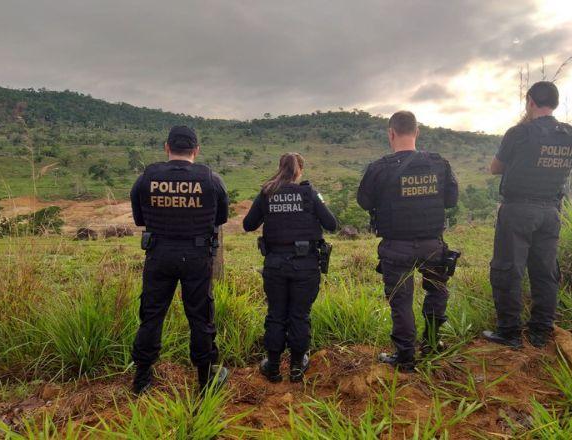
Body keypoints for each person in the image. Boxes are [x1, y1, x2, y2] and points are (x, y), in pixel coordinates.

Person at [129, 125, 229, 394]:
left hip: (158, 254)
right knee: (200, 317)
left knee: (151, 315)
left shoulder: (147, 177)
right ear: (196, 150)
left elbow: (140, 219)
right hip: (197, 256)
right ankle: (205, 379)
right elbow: (221, 218)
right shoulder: (211, 178)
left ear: (167, 148)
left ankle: (141, 380)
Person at [483, 81, 572, 349]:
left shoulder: (518, 133)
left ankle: (510, 332)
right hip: (551, 211)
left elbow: (495, 168)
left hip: (518, 210)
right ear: (555, 103)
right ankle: (540, 332)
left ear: (529, 101)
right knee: (545, 272)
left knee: (508, 269)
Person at [357, 111, 459, 371]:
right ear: (417, 132)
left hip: (396, 247)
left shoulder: (378, 168)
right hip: (432, 245)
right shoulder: (439, 164)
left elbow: (364, 202)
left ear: (391, 133)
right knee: (437, 292)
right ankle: (433, 344)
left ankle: (405, 358)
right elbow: (451, 201)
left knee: (401, 301)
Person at [243, 153, 337, 383]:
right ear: (299, 170)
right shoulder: (309, 194)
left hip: (275, 264)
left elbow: (248, 224)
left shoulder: (267, 193)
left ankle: (273, 366)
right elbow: (332, 225)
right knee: (299, 315)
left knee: (276, 314)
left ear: (280, 168)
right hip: (305, 266)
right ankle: (296, 366)